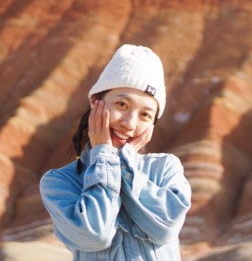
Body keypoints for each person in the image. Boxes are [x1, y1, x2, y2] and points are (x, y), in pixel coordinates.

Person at [40, 44, 192, 260]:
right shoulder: (59, 182)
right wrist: (104, 155)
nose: (130, 123)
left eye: (145, 115)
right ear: (95, 102)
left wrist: (122, 162)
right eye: (122, 104)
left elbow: (165, 228)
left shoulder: (165, 168)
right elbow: (94, 234)